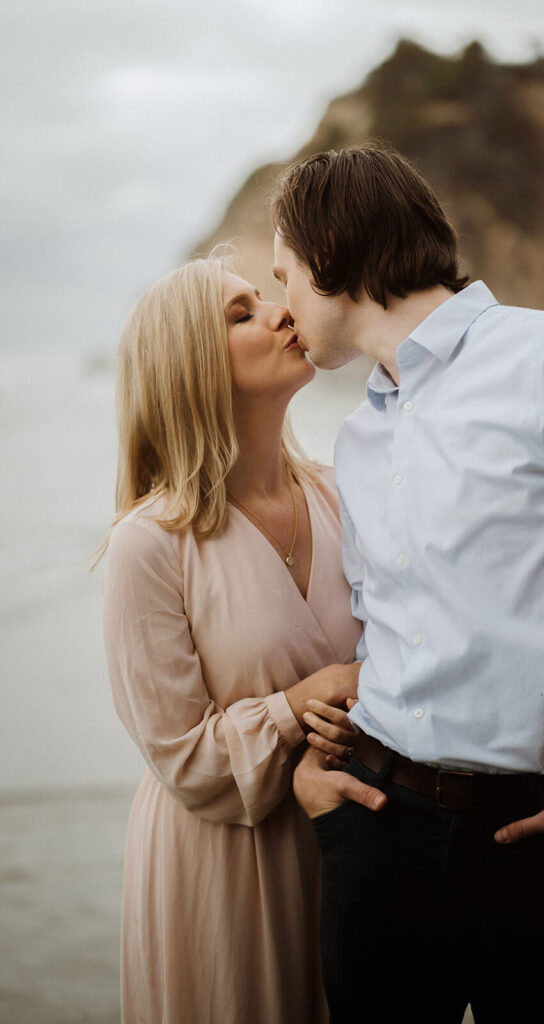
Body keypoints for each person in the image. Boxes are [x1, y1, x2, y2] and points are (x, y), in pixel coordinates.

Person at [270, 145, 544, 1024]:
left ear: (334, 244)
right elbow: (390, 628)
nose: (280, 307)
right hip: (378, 833)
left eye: (284, 276)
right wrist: (317, 773)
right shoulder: (359, 439)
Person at [101, 251, 362, 1024]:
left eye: (265, 297)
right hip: (226, 860)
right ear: (191, 368)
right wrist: (297, 705)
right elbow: (178, 754)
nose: (284, 312)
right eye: (240, 314)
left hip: (352, 838)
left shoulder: (340, 493)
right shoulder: (149, 542)